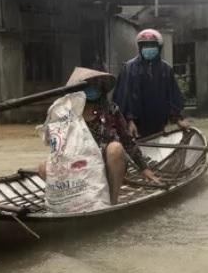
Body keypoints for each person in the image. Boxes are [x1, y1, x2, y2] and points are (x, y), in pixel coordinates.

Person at [40, 67, 160, 205]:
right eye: (87, 86)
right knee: (43, 167)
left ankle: (112, 202)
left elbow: (127, 141)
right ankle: (71, 202)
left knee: (115, 148)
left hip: (104, 164)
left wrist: (144, 168)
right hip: (77, 166)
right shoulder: (65, 114)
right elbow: (55, 145)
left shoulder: (111, 110)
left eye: (96, 86)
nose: (93, 89)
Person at [114, 29, 189, 139]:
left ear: (159, 47)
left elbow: (172, 96)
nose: (148, 48)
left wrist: (178, 120)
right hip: (135, 127)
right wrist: (129, 121)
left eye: (152, 45)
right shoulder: (128, 69)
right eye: (145, 45)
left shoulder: (166, 70)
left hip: (158, 125)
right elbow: (123, 98)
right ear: (140, 47)